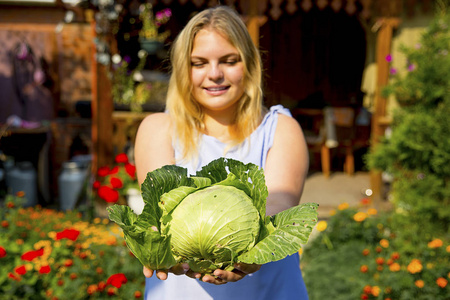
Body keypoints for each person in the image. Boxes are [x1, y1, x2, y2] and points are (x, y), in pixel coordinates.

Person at [134, 5, 310, 300]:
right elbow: (160, 209)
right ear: (182, 69)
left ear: (250, 65)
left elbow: (280, 201)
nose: (214, 74)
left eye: (229, 61)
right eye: (199, 63)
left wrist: (247, 256)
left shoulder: (280, 129)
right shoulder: (158, 128)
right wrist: (153, 240)